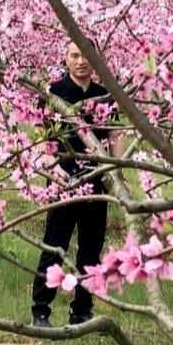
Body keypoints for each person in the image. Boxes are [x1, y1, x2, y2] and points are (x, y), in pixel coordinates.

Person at [31, 42, 124, 328]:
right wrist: (53, 166)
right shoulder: (54, 92)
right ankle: (41, 311)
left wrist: (118, 174)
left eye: (85, 55)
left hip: (97, 181)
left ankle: (82, 311)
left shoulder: (104, 94)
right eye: (74, 55)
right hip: (63, 180)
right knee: (54, 245)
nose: (81, 61)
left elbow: (115, 135)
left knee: (91, 250)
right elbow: (40, 134)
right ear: (66, 58)